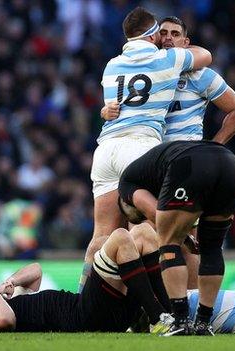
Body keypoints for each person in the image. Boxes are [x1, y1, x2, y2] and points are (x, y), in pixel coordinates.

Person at [81, 7, 213, 292]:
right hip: (140, 148)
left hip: (106, 150)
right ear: (152, 34)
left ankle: (83, 302)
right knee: (142, 231)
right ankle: (151, 305)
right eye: (160, 33)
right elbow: (206, 56)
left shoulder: (112, 65)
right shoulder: (168, 59)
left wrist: (104, 111)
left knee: (101, 235)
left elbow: (113, 109)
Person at [118, 140, 235, 335]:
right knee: (211, 248)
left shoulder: (126, 185)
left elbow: (156, 216)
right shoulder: (151, 170)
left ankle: (181, 321)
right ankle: (203, 323)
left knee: (168, 243)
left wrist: (180, 237)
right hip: (231, 164)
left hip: (191, 164)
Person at [0, 224, 176, 332]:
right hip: (87, 316)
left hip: (91, 309)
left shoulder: (13, 303)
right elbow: (5, 320)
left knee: (144, 233)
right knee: (120, 237)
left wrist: (11, 282)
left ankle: (168, 316)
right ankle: (158, 318)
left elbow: (36, 270)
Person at [101, 16, 235, 144]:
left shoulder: (201, 75)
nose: (169, 37)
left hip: (185, 153)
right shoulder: (142, 71)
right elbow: (123, 106)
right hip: (149, 152)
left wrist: (216, 146)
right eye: (163, 33)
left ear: (185, 42)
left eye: (175, 34)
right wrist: (105, 112)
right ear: (155, 38)